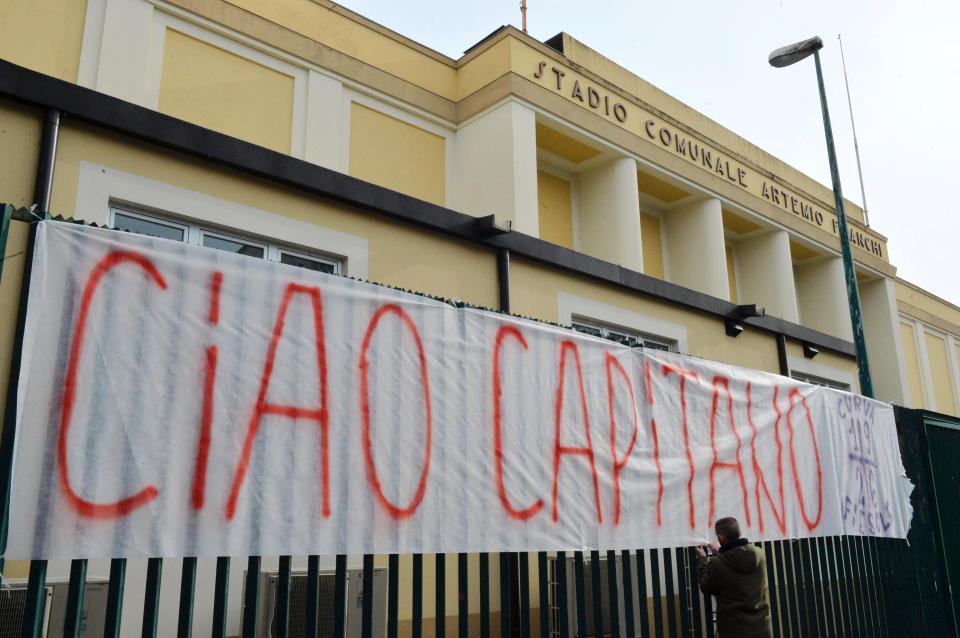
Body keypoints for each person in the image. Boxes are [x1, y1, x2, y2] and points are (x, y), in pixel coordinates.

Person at [695, 516, 773, 638]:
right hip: (761, 627)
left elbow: (706, 587)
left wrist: (703, 561)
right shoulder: (759, 554)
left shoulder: (717, 563)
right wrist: (721, 552)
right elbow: (737, 559)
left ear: (721, 537)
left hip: (733, 629)